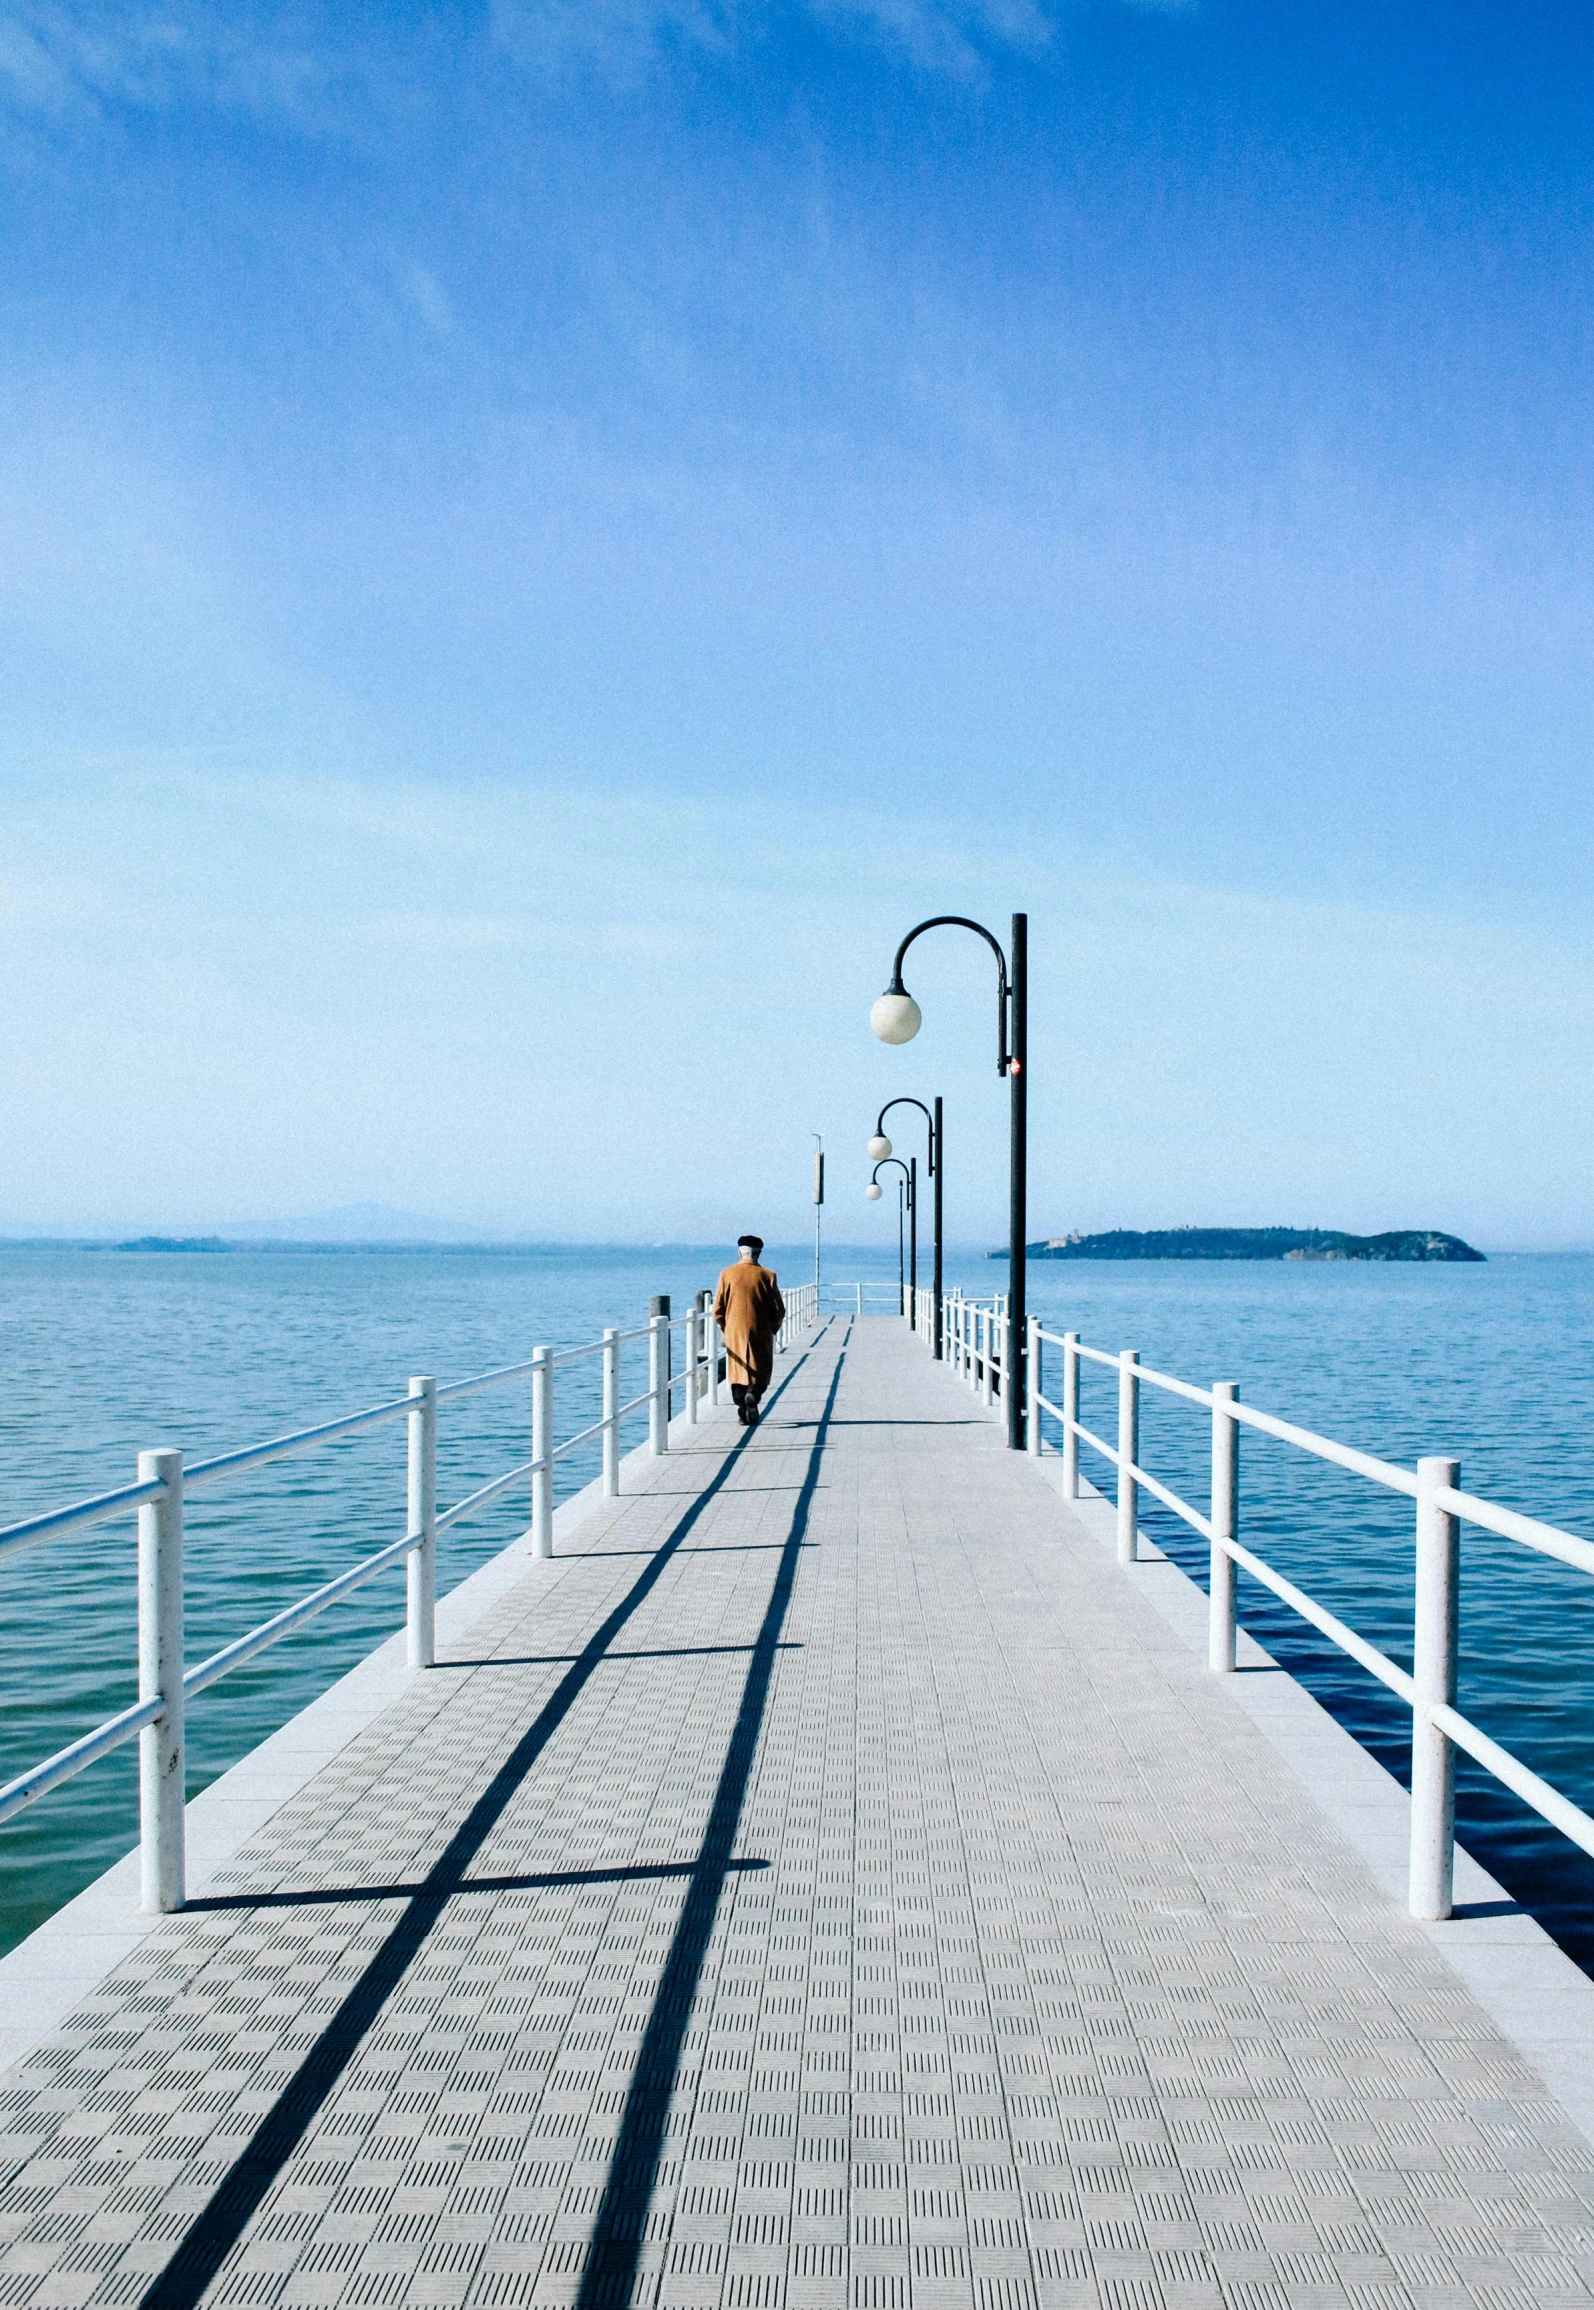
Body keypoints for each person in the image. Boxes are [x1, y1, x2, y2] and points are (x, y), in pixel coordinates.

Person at [713, 1235, 786, 1427]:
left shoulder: (727, 1274)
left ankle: (742, 1410)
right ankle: (753, 1393)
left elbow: (717, 1309)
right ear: (759, 1253)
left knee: (737, 1370)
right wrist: (773, 1327)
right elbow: (779, 1309)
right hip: (760, 1329)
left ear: (739, 1252)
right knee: (760, 1368)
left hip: (734, 1330)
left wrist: (726, 1327)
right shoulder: (768, 1276)